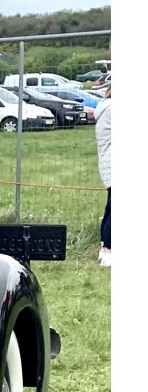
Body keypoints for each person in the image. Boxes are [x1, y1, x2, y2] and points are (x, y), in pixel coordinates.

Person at [95, 85, 111, 268]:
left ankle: (104, 247)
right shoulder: (113, 109)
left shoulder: (105, 107)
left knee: (111, 208)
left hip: (108, 164)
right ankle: (108, 249)